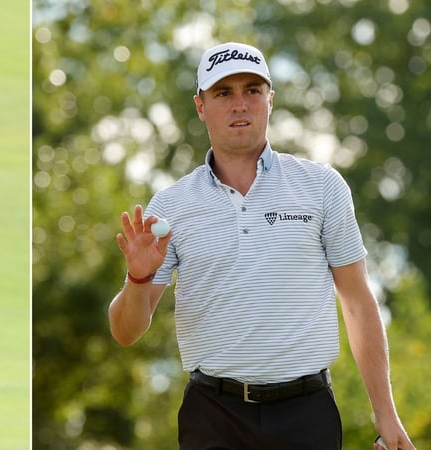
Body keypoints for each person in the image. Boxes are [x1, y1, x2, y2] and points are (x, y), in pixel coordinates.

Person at [108, 42, 414, 449]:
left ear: (270, 100)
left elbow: (358, 302)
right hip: (212, 416)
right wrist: (138, 277)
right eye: (223, 93)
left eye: (252, 90)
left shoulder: (321, 187)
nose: (240, 104)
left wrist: (386, 415)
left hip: (307, 415)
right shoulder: (170, 206)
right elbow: (127, 332)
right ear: (201, 106)